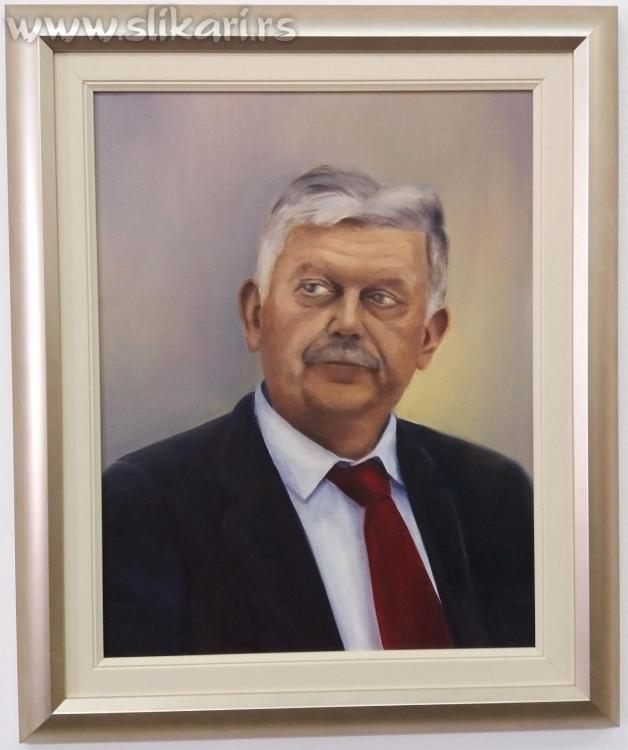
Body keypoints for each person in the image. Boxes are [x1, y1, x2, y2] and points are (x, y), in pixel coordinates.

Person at [102, 165, 534, 657]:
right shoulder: (145, 506)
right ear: (255, 315)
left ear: (429, 338)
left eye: (382, 298)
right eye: (314, 289)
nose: (347, 324)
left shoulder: (496, 496)